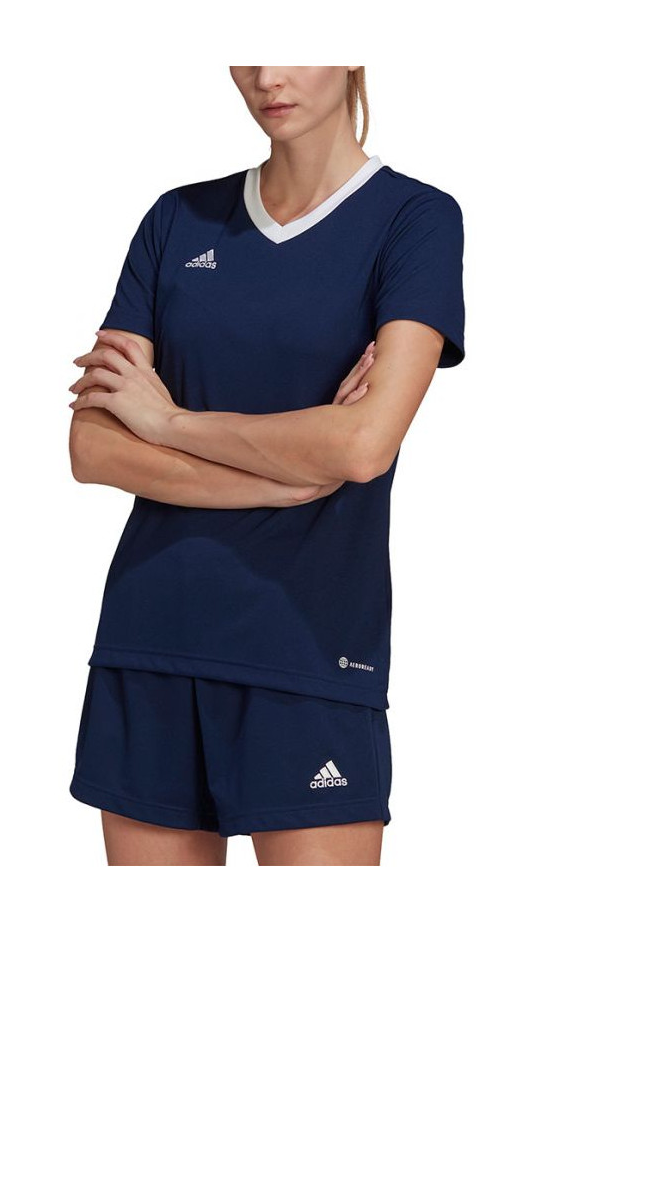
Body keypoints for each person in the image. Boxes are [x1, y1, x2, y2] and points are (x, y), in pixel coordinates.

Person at [67, 66, 465, 866]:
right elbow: (94, 447)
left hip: (310, 648)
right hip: (152, 637)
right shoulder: (177, 219)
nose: (266, 76)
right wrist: (283, 479)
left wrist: (169, 422)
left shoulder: (414, 219)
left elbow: (363, 445)